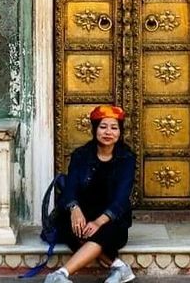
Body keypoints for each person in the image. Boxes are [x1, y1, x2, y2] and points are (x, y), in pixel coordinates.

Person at [44, 105, 136, 283]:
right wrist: (74, 209)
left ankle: (60, 274)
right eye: (103, 127)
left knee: (103, 232)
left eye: (114, 127)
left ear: (120, 132)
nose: (108, 132)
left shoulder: (127, 158)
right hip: (84, 214)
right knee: (75, 228)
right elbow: (70, 188)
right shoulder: (81, 155)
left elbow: (121, 198)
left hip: (111, 219)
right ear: (95, 129)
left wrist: (99, 221)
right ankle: (119, 267)